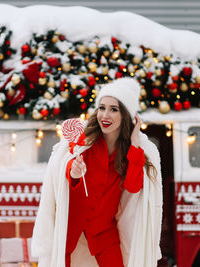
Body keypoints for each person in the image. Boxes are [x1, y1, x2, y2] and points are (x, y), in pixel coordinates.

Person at [31, 78, 163, 267]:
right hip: (69, 228)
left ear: (125, 115)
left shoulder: (131, 152)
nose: (105, 115)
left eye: (113, 109)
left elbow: (133, 187)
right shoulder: (85, 138)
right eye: (102, 108)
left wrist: (134, 144)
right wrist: (73, 172)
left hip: (103, 232)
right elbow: (65, 164)